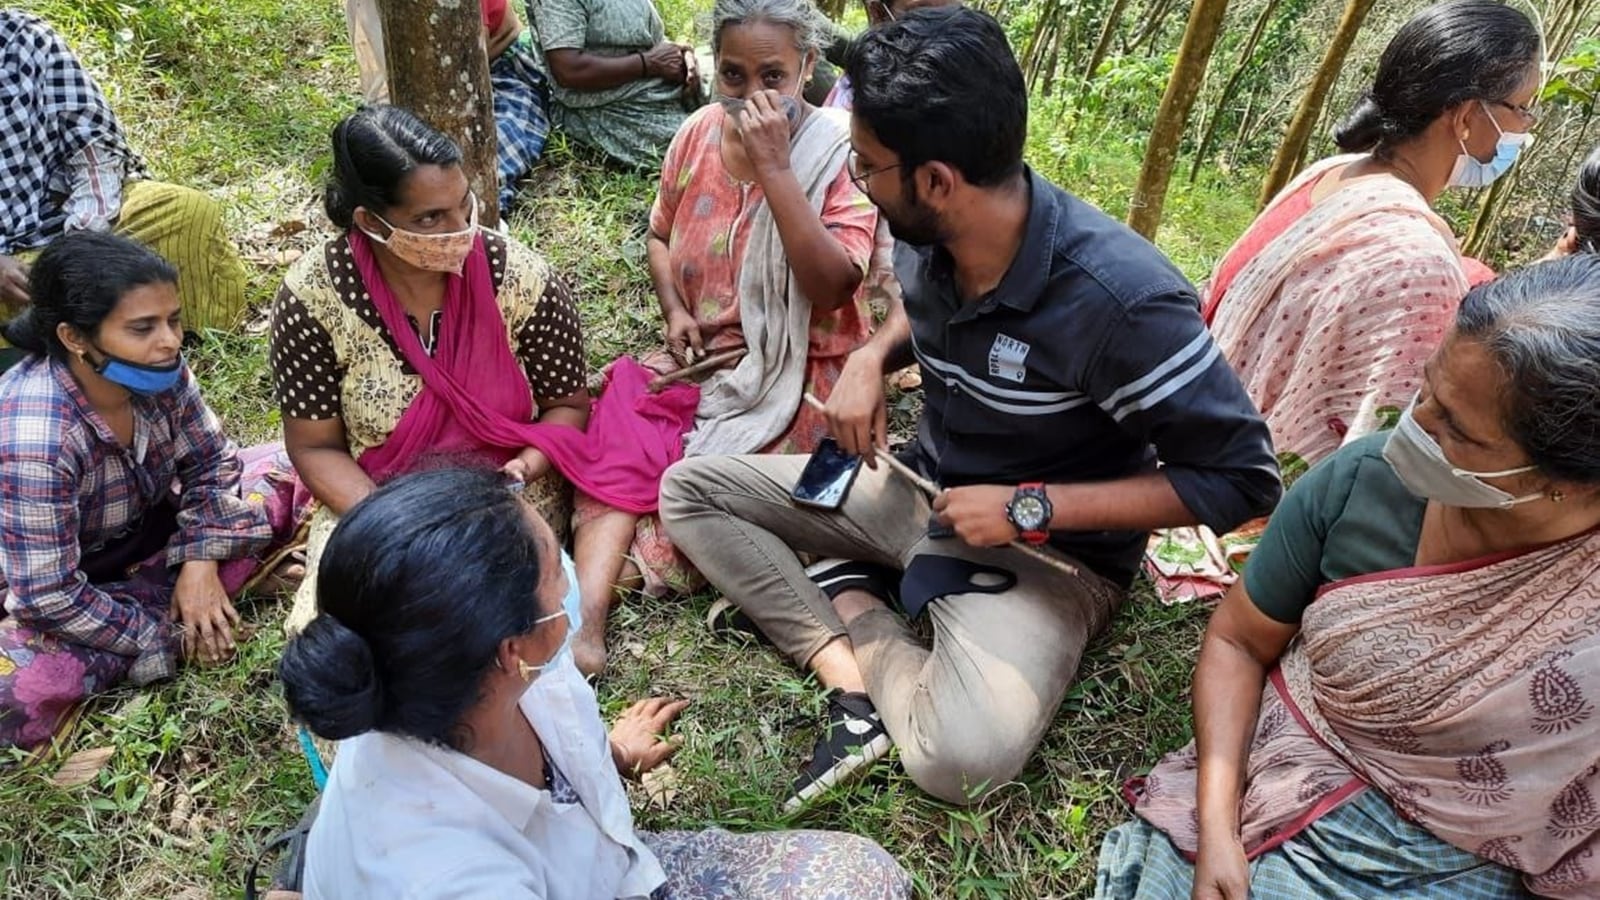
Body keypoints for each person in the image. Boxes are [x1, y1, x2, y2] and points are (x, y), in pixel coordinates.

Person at [659, 7, 1280, 811]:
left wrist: (1028, 506)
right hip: (916, 488)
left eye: (866, 166)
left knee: (961, 762)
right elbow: (918, 309)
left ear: (937, 182)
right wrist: (871, 358)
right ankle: (853, 642)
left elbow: (1242, 480)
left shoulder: (1123, 302)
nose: (857, 179)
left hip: (1046, 554)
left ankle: (852, 595)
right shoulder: (930, 233)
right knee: (691, 491)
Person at [1098, 256, 1600, 899]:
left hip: (1460, 868)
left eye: (1458, 430)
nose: (1416, 425)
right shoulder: (1365, 481)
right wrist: (1218, 829)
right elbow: (1238, 641)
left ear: (1567, 481)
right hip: (1286, 786)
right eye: (1427, 390)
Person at [279, 466, 913, 899]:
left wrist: (610, 755)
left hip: (606, 866)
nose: (572, 578)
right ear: (512, 649)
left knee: (860, 876)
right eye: (557, 567)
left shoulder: (445, 671)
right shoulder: (451, 878)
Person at [1144, 0, 1541, 601]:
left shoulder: (1333, 172)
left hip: (1186, 433)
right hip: (1248, 489)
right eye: (1522, 109)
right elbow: (1385, 450)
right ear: (1466, 118)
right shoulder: (1417, 260)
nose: (1525, 129)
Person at [567, 0, 881, 676]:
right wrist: (675, 311)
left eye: (773, 77)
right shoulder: (696, 134)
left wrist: (776, 169)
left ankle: (623, 566)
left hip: (801, 373)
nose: (750, 95)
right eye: (734, 75)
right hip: (699, 360)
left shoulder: (839, 153)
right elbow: (658, 234)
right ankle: (585, 617)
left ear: (807, 67)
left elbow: (833, 287)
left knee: (772, 492)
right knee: (626, 412)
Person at [269, 106, 591, 634]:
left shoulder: (521, 278)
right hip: (378, 500)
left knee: (492, 627)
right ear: (370, 222)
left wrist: (525, 468)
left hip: (502, 493)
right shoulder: (314, 298)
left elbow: (568, 406)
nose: (460, 230)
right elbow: (316, 447)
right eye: (429, 219)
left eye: (464, 205)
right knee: (341, 640)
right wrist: (395, 523)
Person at [0, 232, 298, 751]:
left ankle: (200, 587)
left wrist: (200, 561)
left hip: (151, 529)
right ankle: (206, 600)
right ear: (74, 337)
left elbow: (212, 462)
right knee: (15, 691)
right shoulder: (36, 436)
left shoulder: (160, 371)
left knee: (295, 463)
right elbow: (47, 595)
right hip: (65, 586)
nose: (170, 341)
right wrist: (162, 636)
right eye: (143, 328)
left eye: (173, 320)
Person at [0, 9, 250, 364]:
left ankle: (191, 341)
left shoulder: (24, 37)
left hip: (61, 223)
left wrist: (83, 240)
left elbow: (92, 149)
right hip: (10, 270)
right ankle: (31, 366)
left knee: (188, 212)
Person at [341, 0, 553, 213]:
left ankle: (474, 215)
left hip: (499, 69)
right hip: (427, 85)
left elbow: (468, 56)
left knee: (484, 162)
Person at [527, 0, 698, 168]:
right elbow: (569, 70)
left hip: (660, 80)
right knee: (703, 141)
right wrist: (649, 63)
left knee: (714, 93)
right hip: (613, 105)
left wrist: (679, 55)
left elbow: (644, 36)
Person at [821, 0, 961, 111]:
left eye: (954, 13)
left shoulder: (967, 79)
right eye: (923, 14)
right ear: (879, 14)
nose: (942, 30)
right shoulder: (860, 97)